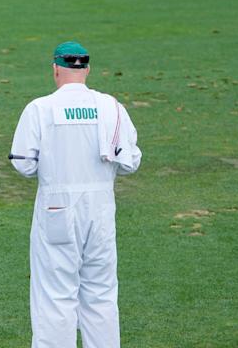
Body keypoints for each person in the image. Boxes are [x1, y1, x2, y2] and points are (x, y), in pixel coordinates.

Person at [10, 41, 142, 348]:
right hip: (100, 211)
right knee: (101, 296)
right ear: (87, 70)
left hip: (55, 209)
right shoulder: (111, 107)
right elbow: (130, 162)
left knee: (54, 298)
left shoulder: (40, 108)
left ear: (56, 69)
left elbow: (24, 165)